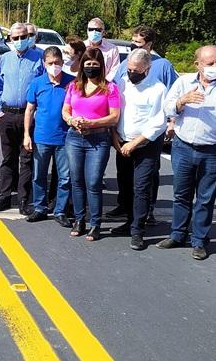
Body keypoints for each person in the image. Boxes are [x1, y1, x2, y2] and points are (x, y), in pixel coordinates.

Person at [158, 45, 216, 260]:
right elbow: (166, 108)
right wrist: (181, 101)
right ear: (198, 65)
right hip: (183, 147)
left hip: (213, 150)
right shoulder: (184, 83)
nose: (214, 67)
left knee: (205, 198)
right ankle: (177, 234)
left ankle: (199, 240)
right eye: (209, 63)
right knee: (181, 194)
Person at [109, 25, 178, 225]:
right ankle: (126, 209)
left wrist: (171, 122)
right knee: (125, 177)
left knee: (146, 178)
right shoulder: (125, 68)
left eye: (138, 42)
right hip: (124, 137)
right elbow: (115, 91)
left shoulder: (163, 66)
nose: (133, 45)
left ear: (149, 44)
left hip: (148, 139)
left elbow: (169, 98)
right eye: (133, 41)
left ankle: (146, 212)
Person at [62, 47, 120, 241]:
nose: (91, 68)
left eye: (95, 65)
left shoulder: (110, 88)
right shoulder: (74, 86)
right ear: (82, 66)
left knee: (93, 182)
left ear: (101, 66)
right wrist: (71, 120)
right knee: (76, 180)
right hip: (75, 137)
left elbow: (114, 116)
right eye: (88, 64)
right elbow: (66, 110)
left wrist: (92, 123)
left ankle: (95, 223)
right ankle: (80, 219)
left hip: (98, 139)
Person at [111, 49, 167, 250]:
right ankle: (128, 221)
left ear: (147, 69)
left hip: (145, 146)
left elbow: (159, 122)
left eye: (136, 70)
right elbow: (116, 111)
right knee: (125, 185)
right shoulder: (121, 84)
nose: (131, 73)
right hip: (121, 143)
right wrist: (115, 136)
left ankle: (138, 230)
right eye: (129, 69)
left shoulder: (158, 89)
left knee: (141, 187)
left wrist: (135, 143)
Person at [0, 22, 44, 215]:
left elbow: (44, 86)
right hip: (7, 114)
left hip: (28, 115)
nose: (20, 41)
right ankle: (4, 197)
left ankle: (23, 199)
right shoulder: (4, 59)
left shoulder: (39, 59)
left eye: (24, 37)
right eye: (16, 38)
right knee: (8, 158)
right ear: (10, 40)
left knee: (27, 159)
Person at [23, 46, 74, 225]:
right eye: (51, 63)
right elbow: (29, 110)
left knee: (64, 177)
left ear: (62, 62)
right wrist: (26, 135)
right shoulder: (37, 83)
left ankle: (60, 210)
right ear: (44, 64)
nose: (54, 66)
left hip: (65, 139)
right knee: (39, 175)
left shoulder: (71, 83)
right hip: (42, 137)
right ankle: (40, 207)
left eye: (57, 63)